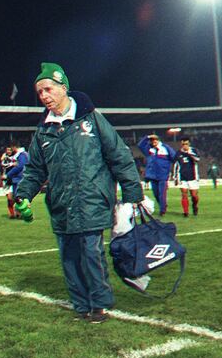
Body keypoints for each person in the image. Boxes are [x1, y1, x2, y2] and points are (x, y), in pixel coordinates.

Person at [15, 63, 143, 324]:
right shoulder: (43, 131)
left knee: (91, 254)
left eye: (48, 89)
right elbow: (35, 169)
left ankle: (100, 305)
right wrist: (23, 194)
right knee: (69, 258)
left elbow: (118, 154)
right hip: (61, 204)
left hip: (92, 200)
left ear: (63, 87)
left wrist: (132, 192)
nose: (44, 96)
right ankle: (81, 305)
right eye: (40, 93)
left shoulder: (92, 118)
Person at [137, 133, 176, 215]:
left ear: (158, 140)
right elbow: (140, 145)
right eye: (151, 140)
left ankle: (162, 210)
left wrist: (168, 168)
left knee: (162, 194)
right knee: (156, 194)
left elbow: (174, 157)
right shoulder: (149, 149)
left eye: (154, 140)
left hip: (163, 175)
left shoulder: (165, 148)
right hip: (152, 175)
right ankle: (163, 205)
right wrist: (147, 137)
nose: (153, 142)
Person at [173, 136, 200, 217]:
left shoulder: (193, 151)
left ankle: (195, 206)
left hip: (193, 177)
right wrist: (175, 177)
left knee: (194, 196)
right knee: (184, 194)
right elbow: (175, 165)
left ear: (189, 144)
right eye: (183, 144)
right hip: (182, 177)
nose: (185, 145)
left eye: (186, 144)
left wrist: (189, 153)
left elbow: (198, 159)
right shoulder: (178, 153)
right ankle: (186, 212)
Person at [5, 140, 29, 219]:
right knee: (17, 197)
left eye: (12, 148)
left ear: (14, 147)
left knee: (19, 197)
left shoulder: (22, 155)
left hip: (19, 179)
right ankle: (19, 214)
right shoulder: (23, 154)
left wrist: (8, 174)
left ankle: (24, 214)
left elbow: (20, 166)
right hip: (19, 179)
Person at [0, 145, 17, 218]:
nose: (9, 151)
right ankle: (12, 213)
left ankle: (16, 212)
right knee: (9, 199)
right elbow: (3, 165)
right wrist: (12, 164)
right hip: (6, 180)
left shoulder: (15, 157)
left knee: (14, 197)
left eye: (10, 150)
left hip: (14, 179)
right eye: (7, 150)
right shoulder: (5, 158)